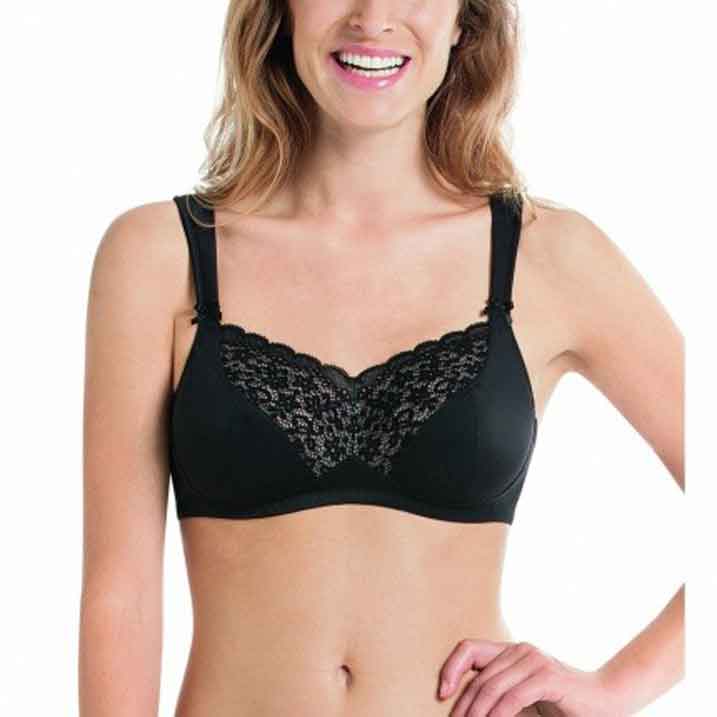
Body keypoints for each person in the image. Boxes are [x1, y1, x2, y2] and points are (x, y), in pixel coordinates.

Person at [78, 1, 684, 715]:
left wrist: (616, 686)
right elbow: (120, 593)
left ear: (463, 21)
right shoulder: (159, 256)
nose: (372, 17)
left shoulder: (549, 256)